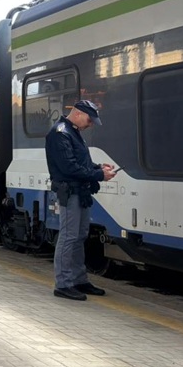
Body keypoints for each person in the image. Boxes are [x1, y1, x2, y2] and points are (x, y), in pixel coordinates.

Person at [45, 100, 116, 301]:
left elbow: (80, 162)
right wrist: (100, 175)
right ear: (77, 114)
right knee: (69, 236)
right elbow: (69, 168)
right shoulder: (60, 133)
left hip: (81, 192)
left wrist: (98, 168)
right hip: (70, 192)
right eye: (89, 120)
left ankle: (78, 279)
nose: (90, 124)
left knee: (80, 235)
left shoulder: (73, 131)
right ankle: (63, 284)